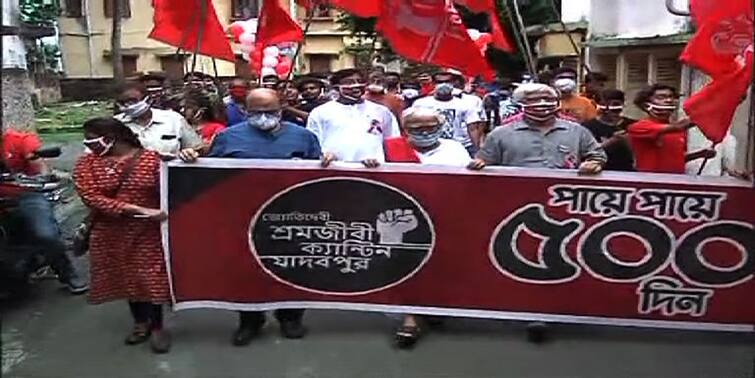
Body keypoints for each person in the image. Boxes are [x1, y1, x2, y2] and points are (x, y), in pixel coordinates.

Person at [186, 88, 320, 345]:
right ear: (245, 111)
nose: (264, 116)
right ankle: (250, 320)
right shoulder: (227, 137)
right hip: (241, 218)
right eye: (256, 112)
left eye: (270, 111)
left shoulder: (304, 137)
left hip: (290, 218)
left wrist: (328, 160)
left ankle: (290, 317)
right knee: (244, 270)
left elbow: (316, 175)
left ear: (282, 108)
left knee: (291, 268)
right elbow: (209, 175)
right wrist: (191, 159)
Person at [73, 117, 171, 354]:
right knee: (126, 278)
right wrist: (135, 209)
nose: (88, 144)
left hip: (147, 232)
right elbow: (91, 196)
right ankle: (140, 323)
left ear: (110, 138)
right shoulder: (86, 164)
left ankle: (157, 326)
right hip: (109, 231)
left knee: (150, 278)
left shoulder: (151, 159)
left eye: (91, 138)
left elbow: (169, 188)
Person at [1, 129, 88, 294]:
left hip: (25, 194)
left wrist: (43, 176)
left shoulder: (20, 140)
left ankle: (67, 273)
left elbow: (38, 162)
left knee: (45, 235)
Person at [470, 83, 606, 173]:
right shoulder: (500, 134)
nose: (543, 104)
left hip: (561, 196)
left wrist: (593, 164)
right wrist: (478, 164)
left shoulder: (577, 131)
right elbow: (486, 162)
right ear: (521, 104)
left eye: (548, 99)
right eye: (534, 100)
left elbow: (597, 156)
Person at [307, 69, 400, 167]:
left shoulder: (381, 111)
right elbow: (313, 142)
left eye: (360, 82)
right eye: (349, 82)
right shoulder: (320, 112)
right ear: (336, 87)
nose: (356, 86)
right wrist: (325, 155)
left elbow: (392, 141)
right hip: (333, 169)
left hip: (373, 169)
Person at [627, 84, 715, 174]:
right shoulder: (639, 127)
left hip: (676, 182)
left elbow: (676, 159)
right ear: (646, 105)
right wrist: (708, 111)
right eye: (661, 97)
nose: (669, 100)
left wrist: (699, 154)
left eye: (671, 97)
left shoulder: (679, 131)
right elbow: (678, 126)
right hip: (651, 183)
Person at [115, 83, 203, 158]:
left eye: (132, 101)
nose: (127, 106)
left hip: (171, 175)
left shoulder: (173, 119)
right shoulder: (116, 124)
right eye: (123, 103)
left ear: (148, 100)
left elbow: (197, 148)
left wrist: (189, 153)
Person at [410, 71, 485, 157]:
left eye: (447, 81)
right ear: (434, 84)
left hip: (461, 146)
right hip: (430, 146)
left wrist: (477, 149)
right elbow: (412, 125)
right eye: (440, 82)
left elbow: (472, 128)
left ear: (453, 83)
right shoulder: (421, 103)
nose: (444, 84)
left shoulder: (465, 104)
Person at [581, 89, 636, 171]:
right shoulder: (587, 127)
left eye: (615, 105)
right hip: (599, 172)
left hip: (628, 172)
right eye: (604, 105)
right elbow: (584, 153)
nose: (609, 110)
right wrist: (612, 141)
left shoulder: (633, 125)